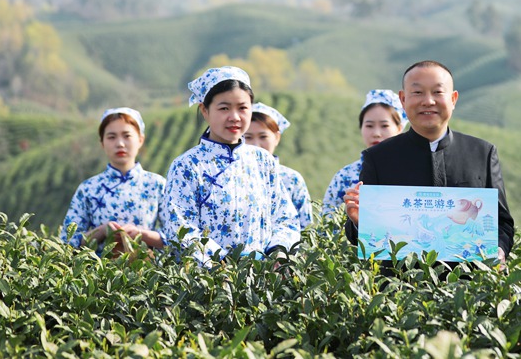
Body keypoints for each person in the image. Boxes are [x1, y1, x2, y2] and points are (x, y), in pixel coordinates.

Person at [344, 61, 515, 261]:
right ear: (403, 99)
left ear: (453, 99)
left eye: (437, 92)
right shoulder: (377, 157)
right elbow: (363, 237)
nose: (428, 101)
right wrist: (359, 222)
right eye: (417, 93)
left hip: (469, 279)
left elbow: (502, 223)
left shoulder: (482, 153)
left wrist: (499, 250)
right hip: (399, 279)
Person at [161, 66, 299, 263]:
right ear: (205, 110)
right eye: (224, 108)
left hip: (263, 276)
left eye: (242, 108)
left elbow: (285, 217)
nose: (234, 117)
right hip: (209, 278)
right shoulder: (187, 166)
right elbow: (179, 227)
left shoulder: (263, 161)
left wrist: (278, 252)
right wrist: (221, 262)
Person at [61, 107, 165, 252]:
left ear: (140, 140)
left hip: (148, 266)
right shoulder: (88, 188)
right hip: (98, 267)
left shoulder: (156, 184)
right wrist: (102, 231)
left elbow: (174, 238)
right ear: (102, 143)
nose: (120, 143)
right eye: (111, 137)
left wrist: (141, 234)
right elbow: (67, 243)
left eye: (127, 136)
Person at [321, 89, 407, 216]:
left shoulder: (413, 171)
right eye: (369, 126)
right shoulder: (344, 176)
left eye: (384, 126)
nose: (376, 133)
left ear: (399, 128)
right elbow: (327, 223)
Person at [244, 102, 313, 230]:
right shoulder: (230, 176)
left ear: (276, 137)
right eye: (248, 137)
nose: (256, 145)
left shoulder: (291, 179)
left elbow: (305, 228)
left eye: (263, 137)